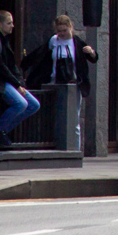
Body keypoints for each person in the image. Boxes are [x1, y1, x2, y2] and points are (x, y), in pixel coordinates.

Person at [23, 14, 98, 146]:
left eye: (64, 30)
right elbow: (40, 55)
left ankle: (75, 149)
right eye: (59, 31)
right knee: (53, 116)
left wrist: (91, 52)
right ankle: (55, 145)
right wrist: (24, 64)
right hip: (54, 82)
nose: (62, 34)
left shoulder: (77, 42)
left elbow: (92, 58)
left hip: (73, 85)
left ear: (71, 27)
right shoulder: (54, 41)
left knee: (74, 119)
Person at [0, 11, 40, 150]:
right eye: (9, 23)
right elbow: (0, 67)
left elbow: (11, 65)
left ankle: (2, 130)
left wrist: (20, 83)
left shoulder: (4, 40)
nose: (12, 26)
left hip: (7, 80)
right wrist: (17, 85)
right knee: (20, 103)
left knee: (34, 104)